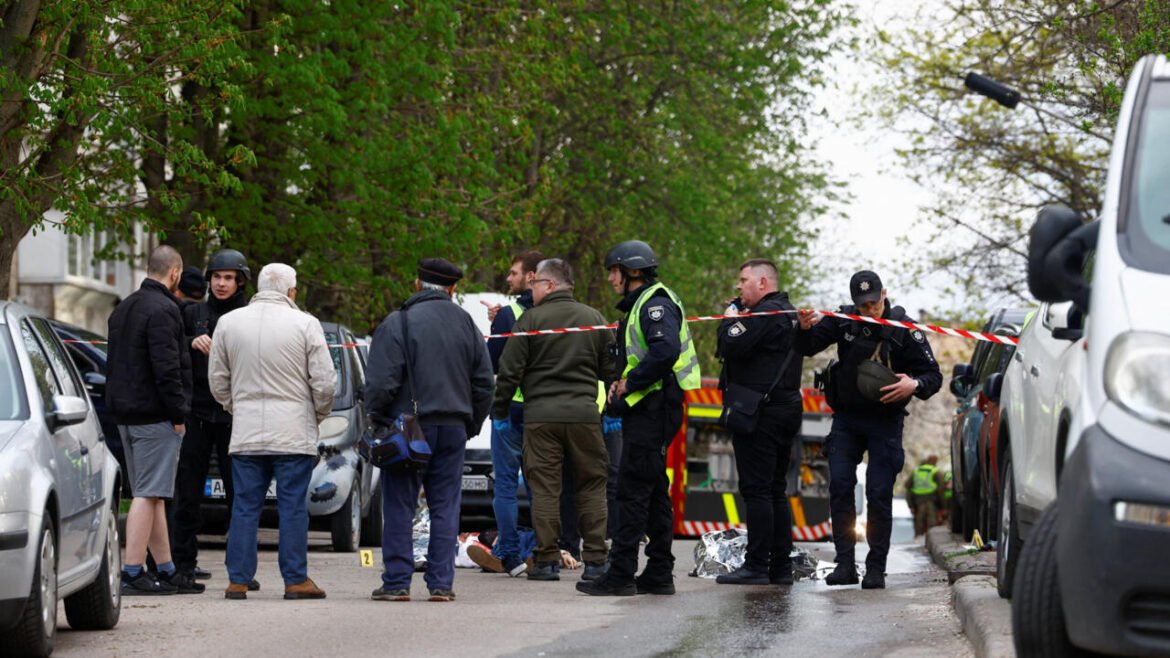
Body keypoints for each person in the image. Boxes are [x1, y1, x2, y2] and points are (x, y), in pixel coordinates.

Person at [795, 270, 942, 589]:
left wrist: (913, 384)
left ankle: (876, 568)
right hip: (847, 417)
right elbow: (808, 347)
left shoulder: (905, 329)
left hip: (885, 421)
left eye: (874, 303)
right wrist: (805, 329)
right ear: (853, 302)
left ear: (884, 294)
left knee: (877, 493)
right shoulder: (844, 320)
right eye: (863, 305)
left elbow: (933, 376)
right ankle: (845, 563)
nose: (869, 309)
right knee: (841, 485)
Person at [365, 258, 494, 602]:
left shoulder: (399, 321)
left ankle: (396, 582)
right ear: (452, 289)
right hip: (453, 426)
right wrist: (471, 423)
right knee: (445, 506)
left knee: (399, 504)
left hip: (408, 427)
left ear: (417, 284)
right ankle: (440, 583)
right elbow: (484, 382)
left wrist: (376, 418)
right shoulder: (466, 323)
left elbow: (381, 381)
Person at [578, 240, 700, 597]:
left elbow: (664, 351)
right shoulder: (644, 304)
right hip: (652, 407)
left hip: (654, 408)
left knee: (631, 492)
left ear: (632, 271)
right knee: (654, 492)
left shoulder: (655, 305)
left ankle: (621, 573)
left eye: (613, 271)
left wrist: (630, 382)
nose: (611, 278)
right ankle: (660, 571)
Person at [209, 263, 336, 600]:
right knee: (292, 506)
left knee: (245, 506)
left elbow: (217, 380)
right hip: (294, 431)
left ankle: (238, 579)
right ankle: (295, 579)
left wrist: (237, 407)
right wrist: (317, 413)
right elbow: (324, 382)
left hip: (248, 432)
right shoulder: (306, 324)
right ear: (291, 292)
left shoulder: (229, 323)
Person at [493, 258, 617, 582]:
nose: (531, 289)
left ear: (549, 285)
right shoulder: (595, 320)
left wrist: (500, 412)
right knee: (591, 485)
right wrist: (612, 414)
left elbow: (509, 372)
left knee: (545, 488)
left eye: (535, 284)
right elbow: (611, 373)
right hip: (585, 419)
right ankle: (596, 561)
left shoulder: (530, 321)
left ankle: (546, 561)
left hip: (540, 419)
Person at [106, 245, 199, 595]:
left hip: (125, 412)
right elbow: (167, 368)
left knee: (154, 492)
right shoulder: (164, 309)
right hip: (155, 413)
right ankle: (131, 570)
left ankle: (167, 568)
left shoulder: (124, 308)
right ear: (175, 273)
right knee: (148, 493)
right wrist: (178, 414)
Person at [712, 259, 803, 586]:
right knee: (775, 491)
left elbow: (728, 343)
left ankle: (757, 565)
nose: (738, 287)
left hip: (761, 413)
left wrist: (731, 316)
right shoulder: (786, 312)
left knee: (757, 491)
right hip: (783, 409)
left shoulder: (766, 314)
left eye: (743, 280)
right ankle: (779, 567)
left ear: (763, 282)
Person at [172, 249, 250, 585]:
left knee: (241, 494)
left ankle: (240, 570)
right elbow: (170, 348)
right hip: (198, 414)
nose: (221, 283)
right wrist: (190, 342)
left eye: (228, 278)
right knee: (187, 493)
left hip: (236, 415)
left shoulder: (249, 316)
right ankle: (182, 564)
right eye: (217, 277)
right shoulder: (193, 313)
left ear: (240, 281)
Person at [484, 249, 544, 577]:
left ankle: (508, 551)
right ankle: (542, 550)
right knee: (541, 486)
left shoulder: (511, 313)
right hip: (544, 409)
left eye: (514, 273)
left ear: (531, 276)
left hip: (511, 408)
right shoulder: (555, 313)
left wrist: (497, 325)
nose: (509, 279)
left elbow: (492, 361)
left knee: (505, 484)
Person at [907, 455, 943, 537]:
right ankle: (930, 538)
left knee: (919, 523)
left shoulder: (916, 471)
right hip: (931, 500)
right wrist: (943, 507)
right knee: (932, 522)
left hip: (918, 501)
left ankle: (918, 538)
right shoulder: (935, 471)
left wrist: (911, 505)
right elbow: (941, 489)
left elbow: (908, 487)